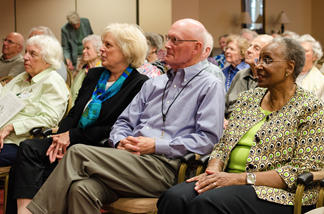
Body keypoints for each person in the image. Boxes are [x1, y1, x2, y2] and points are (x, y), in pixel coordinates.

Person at [26, 18, 225, 214]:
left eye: (175, 40)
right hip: (128, 159)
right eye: (168, 38)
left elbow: (207, 140)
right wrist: (120, 140)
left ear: (197, 47)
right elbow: (122, 122)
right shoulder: (154, 84)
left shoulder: (209, 85)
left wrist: (155, 145)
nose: (167, 45)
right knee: (82, 189)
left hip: (166, 167)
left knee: (77, 152)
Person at [157, 37, 323, 214]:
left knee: (207, 203)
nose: (258, 65)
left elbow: (302, 168)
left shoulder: (310, 107)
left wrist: (238, 179)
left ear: (289, 67)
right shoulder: (248, 99)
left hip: (277, 193)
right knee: (173, 197)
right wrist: (213, 169)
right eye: (260, 59)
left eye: (267, 60)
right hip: (227, 179)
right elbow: (223, 145)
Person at [6, 23, 149, 214]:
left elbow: (113, 128)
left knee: (28, 170)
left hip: (98, 147)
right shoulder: (95, 74)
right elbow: (74, 113)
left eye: (108, 45)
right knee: (28, 148)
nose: (101, 49)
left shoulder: (138, 84)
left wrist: (72, 137)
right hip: (71, 139)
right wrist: (61, 137)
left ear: (126, 50)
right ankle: (24, 212)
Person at [0, 35, 69, 168]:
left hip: (19, 143)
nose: (25, 57)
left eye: (32, 54)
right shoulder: (22, 77)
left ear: (47, 61)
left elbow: (49, 119)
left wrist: (12, 126)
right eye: (26, 52)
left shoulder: (53, 82)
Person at [225, 35, 273, 119]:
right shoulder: (240, 74)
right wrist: (222, 120)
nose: (249, 50)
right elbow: (224, 104)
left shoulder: (271, 80)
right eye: (250, 46)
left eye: (256, 49)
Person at [70, 34, 102, 105]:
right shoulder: (82, 71)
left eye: (88, 48)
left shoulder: (102, 71)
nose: (84, 51)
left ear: (98, 52)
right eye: (83, 48)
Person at [296, 34, 324, 100]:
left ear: (315, 56)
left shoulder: (320, 80)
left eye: (305, 50)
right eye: (298, 50)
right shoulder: (288, 72)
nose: (300, 53)